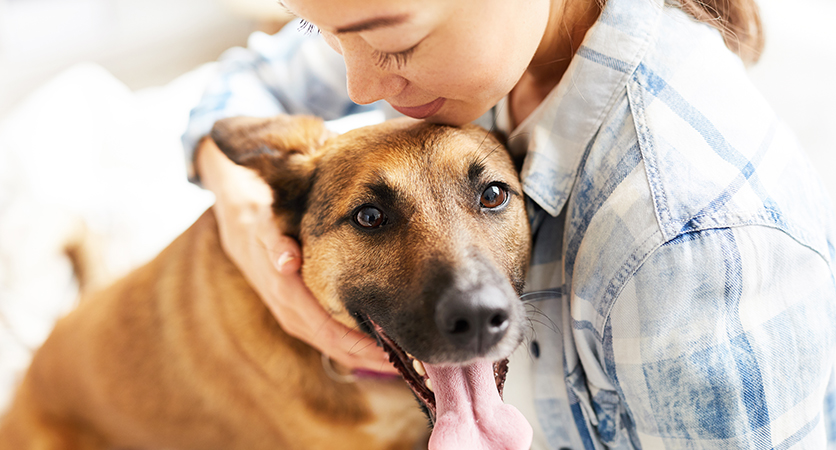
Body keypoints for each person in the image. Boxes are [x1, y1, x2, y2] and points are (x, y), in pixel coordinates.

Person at [182, 0, 836, 447]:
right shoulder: (454, 27)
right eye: (323, 32)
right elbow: (241, 84)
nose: (358, 86)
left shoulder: (681, 245)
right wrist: (245, 221)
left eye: (394, 41)